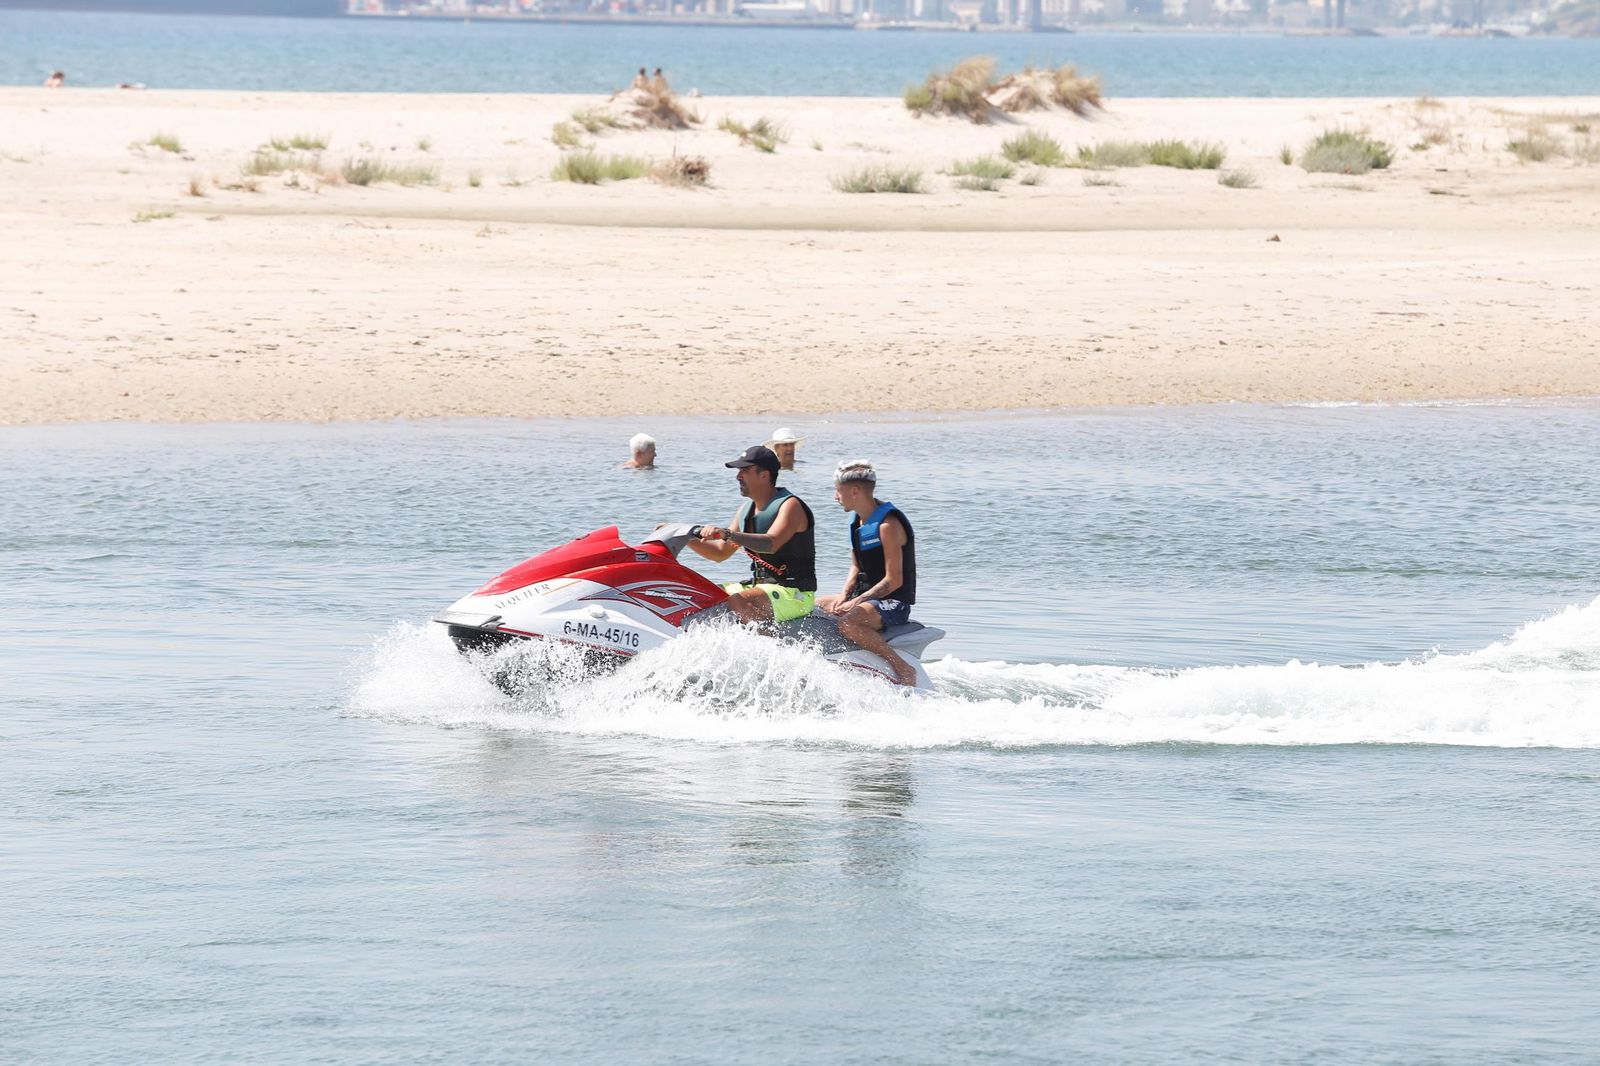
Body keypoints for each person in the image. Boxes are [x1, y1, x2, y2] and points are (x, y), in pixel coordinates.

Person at [816, 460, 918, 686]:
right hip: (866, 598)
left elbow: (894, 580)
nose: (835, 497)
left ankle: (902, 667)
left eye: (838, 491)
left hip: (893, 602)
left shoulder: (887, 525)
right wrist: (844, 596)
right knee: (814, 605)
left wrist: (857, 601)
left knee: (848, 624)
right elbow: (856, 567)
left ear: (854, 491)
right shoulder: (857, 522)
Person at [690, 445, 816, 625]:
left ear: (764, 475)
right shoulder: (745, 511)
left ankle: (765, 648)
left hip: (795, 594)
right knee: (706, 594)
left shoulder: (790, 506)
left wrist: (726, 534)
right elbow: (720, 553)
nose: (738, 476)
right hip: (760, 588)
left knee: (737, 600)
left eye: (744, 471)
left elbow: (771, 543)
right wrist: (685, 538)